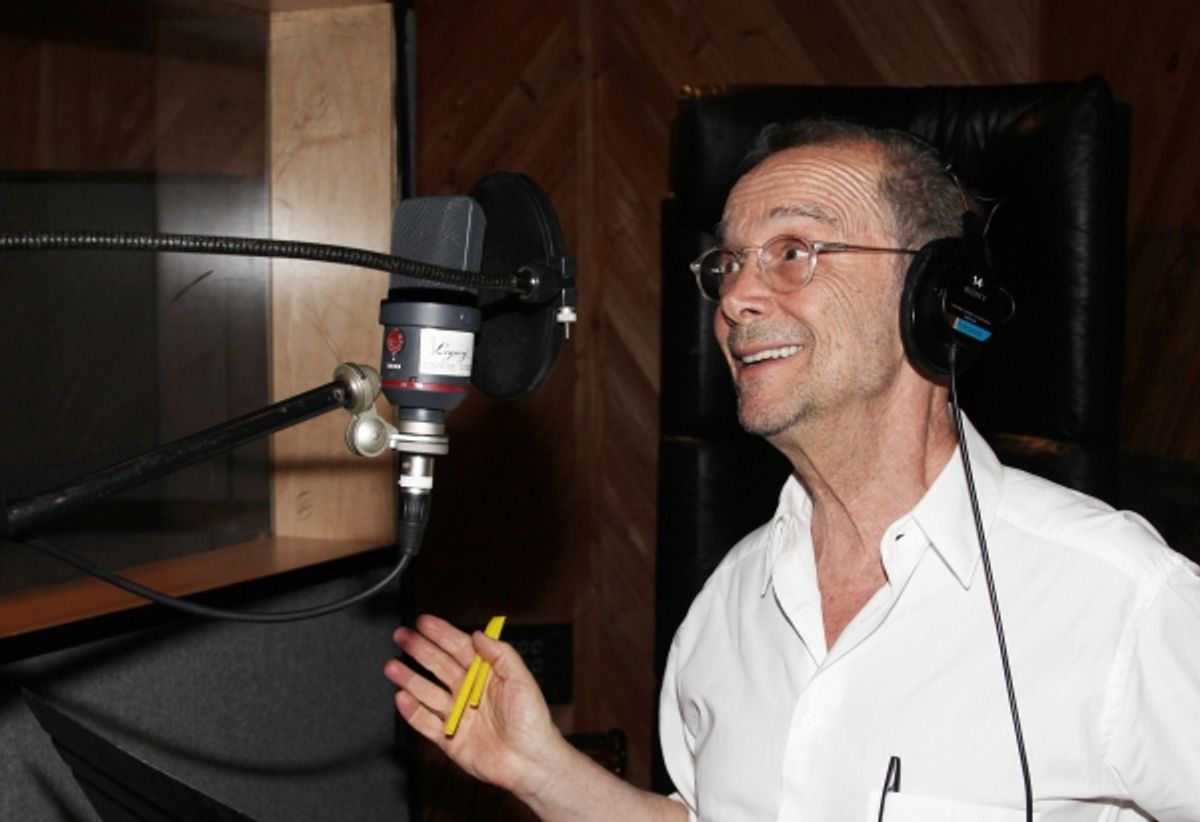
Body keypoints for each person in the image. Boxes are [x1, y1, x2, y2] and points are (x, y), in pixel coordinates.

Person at [384, 119, 1200, 820]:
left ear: (933, 296)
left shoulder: (1120, 598)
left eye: (793, 251)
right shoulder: (728, 605)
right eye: (729, 263)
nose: (737, 297)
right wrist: (540, 769)